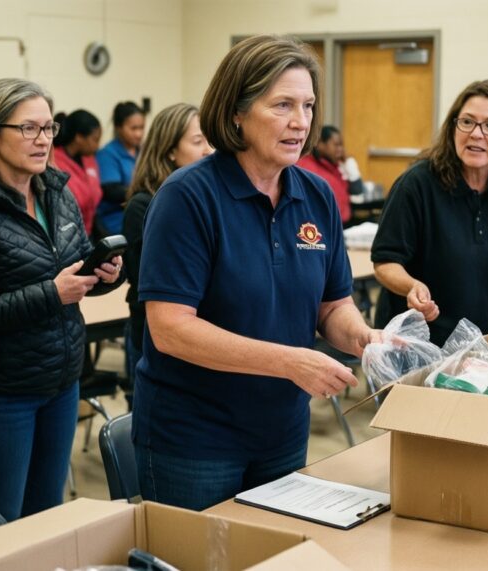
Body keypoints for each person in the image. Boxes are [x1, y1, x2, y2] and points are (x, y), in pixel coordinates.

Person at [133, 35, 381, 511]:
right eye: (282, 105)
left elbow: (333, 305)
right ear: (236, 113)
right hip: (194, 438)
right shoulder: (188, 197)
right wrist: (291, 362)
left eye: (307, 105)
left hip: (282, 430)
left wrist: (363, 337)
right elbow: (170, 330)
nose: (300, 122)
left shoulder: (317, 195)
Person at [0, 78, 123, 522]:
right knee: (2, 524)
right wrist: (52, 294)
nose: (42, 140)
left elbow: (72, 266)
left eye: (49, 128)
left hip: (57, 381)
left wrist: (107, 274)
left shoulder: (55, 189)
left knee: (46, 518)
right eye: (28, 129)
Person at [371, 80, 488, 345]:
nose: (476, 133)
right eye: (467, 122)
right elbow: (385, 263)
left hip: (480, 347)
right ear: (453, 126)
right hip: (417, 347)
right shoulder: (417, 184)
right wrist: (412, 286)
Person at [121, 103, 212, 388]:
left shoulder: (210, 200)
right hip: (156, 343)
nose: (209, 150)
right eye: (198, 141)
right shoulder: (143, 206)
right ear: (170, 150)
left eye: (211, 141)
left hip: (203, 337)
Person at [95, 101, 145, 236]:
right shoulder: (108, 154)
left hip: (139, 216)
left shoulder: (143, 152)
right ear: (118, 128)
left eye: (142, 128)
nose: (139, 134)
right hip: (116, 222)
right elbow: (112, 191)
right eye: (133, 128)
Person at [52, 109, 103, 235]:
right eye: (95, 140)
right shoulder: (54, 161)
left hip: (89, 230)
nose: (98, 146)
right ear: (79, 137)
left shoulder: (89, 159)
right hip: (67, 233)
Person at [296, 125, 353, 224]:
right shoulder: (307, 168)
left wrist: (351, 170)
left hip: (340, 225)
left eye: (341, 145)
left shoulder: (333, 167)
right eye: (336, 145)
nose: (340, 150)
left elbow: (354, 191)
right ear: (320, 144)